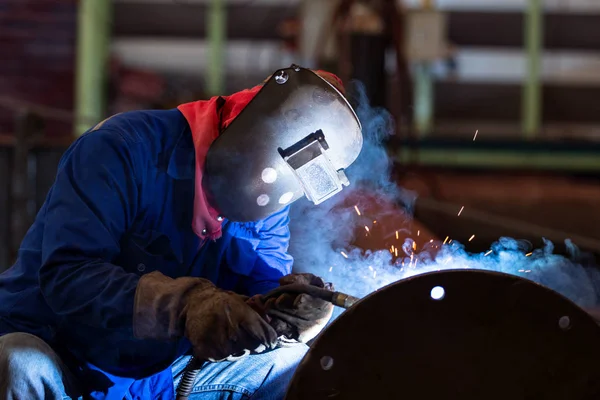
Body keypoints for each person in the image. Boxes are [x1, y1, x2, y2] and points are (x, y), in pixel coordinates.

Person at [0, 65, 363, 400]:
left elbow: (258, 287)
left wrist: (282, 310)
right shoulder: (122, 148)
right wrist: (184, 305)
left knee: (291, 365)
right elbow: (69, 276)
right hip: (61, 354)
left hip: (159, 375)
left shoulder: (267, 197)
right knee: (19, 362)